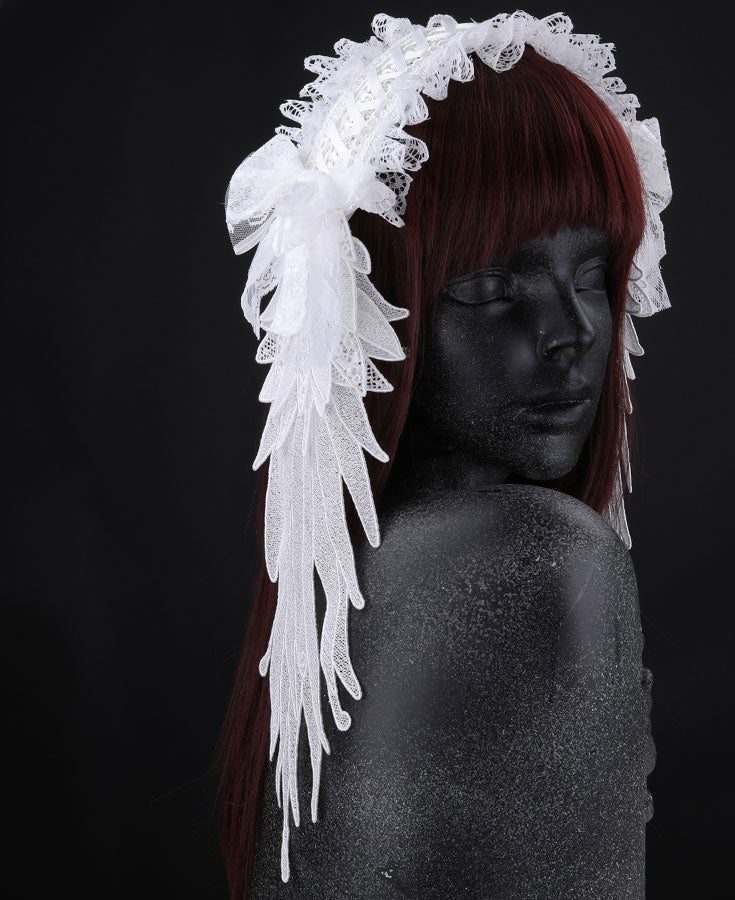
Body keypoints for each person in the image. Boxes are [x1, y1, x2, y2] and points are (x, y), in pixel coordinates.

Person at [220, 15, 670, 899]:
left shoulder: (358, 578)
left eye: (592, 277)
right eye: (492, 288)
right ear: (371, 307)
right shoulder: (538, 559)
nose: (574, 331)